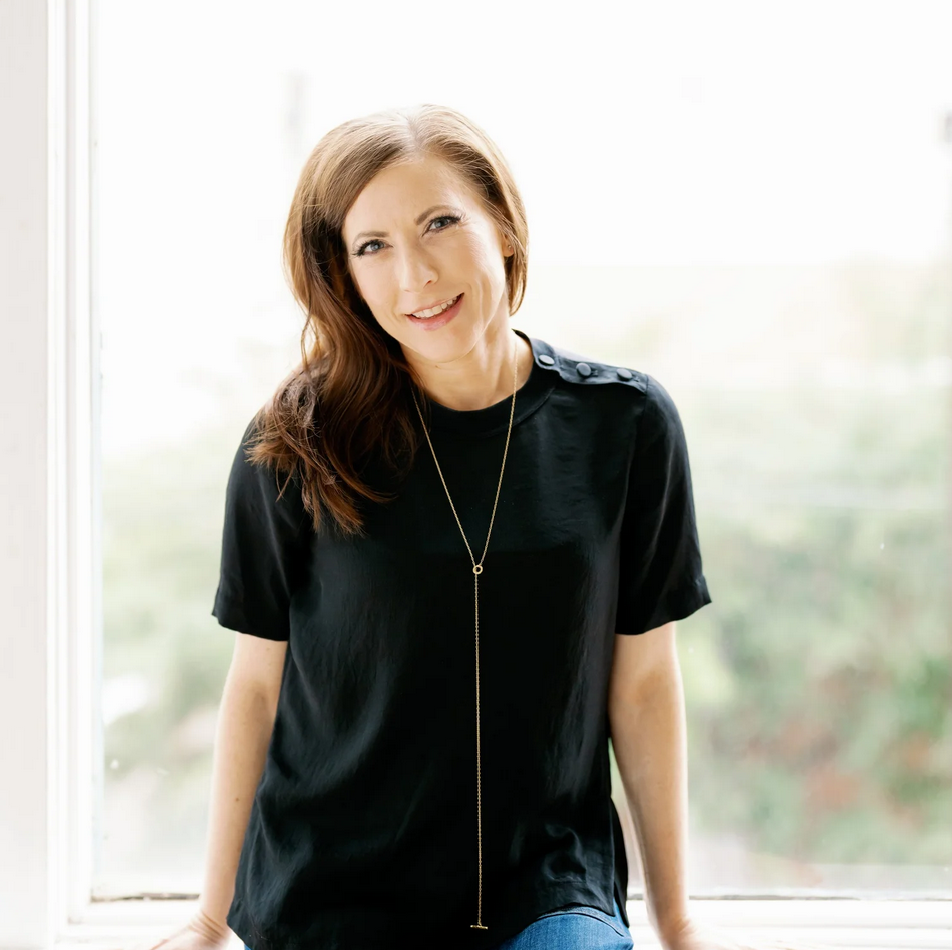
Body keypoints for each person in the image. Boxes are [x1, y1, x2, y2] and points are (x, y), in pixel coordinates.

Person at [141, 103, 805, 950]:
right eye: (372, 246)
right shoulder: (296, 444)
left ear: (504, 226)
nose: (414, 275)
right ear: (343, 274)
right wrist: (209, 913)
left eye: (440, 224)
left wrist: (677, 923)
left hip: (547, 889)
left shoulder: (624, 426)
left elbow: (641, 683)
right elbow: (257, 686)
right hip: (335, 894)